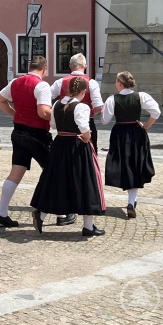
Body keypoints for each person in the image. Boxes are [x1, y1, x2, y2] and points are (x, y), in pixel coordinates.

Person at [31, 77, 106, 236]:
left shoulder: (57, 104)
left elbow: (52, 125)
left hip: (59, 145)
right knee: (85, 182)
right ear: (84, 91)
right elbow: (84, 128)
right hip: (76, 146)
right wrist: (87, 137)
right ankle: (88, 226)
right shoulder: (82, 107)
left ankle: (41, 214)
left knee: (57, 181)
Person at [0, 56, 56, 228]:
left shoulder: (15, 82)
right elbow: (43, 112)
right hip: (37, 133)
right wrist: (60, 117)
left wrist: (15, 114)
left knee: (16, 171)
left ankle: (2, 212)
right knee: (53, 170)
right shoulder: (42, 85)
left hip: (18, 131)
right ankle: (55, 210)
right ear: (44, 69)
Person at [101, 71, 160, 219]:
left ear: (120, 83)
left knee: (125, 166)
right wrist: (146, 126)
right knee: (135, 166)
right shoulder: (141, 96)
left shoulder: (112, 99)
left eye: (116, 81)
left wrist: (102, 110)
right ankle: (131, 202)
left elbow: (104, 121)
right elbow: (156, 112)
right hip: (136, 132)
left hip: (120, 133)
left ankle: (131, 201)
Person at [50, 53, 104, 150]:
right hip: (86, 123)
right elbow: (98, 107)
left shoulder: (60, 82)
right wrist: (91, 112)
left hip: (64, 124)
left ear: (70, 66)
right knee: (88, 154)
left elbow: (48, 97)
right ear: (85, 66)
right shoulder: (91, 83)